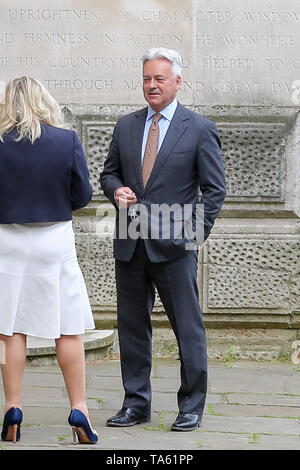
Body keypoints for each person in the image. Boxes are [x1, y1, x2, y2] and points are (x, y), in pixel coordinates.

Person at [100, 48, 226, 431]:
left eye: (159, 78)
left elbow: (214, 190)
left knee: (187, 328)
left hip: (175, 243)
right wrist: (116, 190)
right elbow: (109, 174)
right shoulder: (126, 125)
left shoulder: (199, 128)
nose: (151, 85)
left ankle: (191, 406)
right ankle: (136, 403)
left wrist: (193, 235)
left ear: (177, 81)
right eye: (146, 79)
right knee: (132, 327)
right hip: (130, 239)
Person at [0, 76, 98, 444]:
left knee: (10, 327)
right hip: (54, 237)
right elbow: (83, 193)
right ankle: (79, 409)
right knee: (67, 325)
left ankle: (13, 406)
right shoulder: (66, 139)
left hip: (6, 237)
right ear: (44, 101)